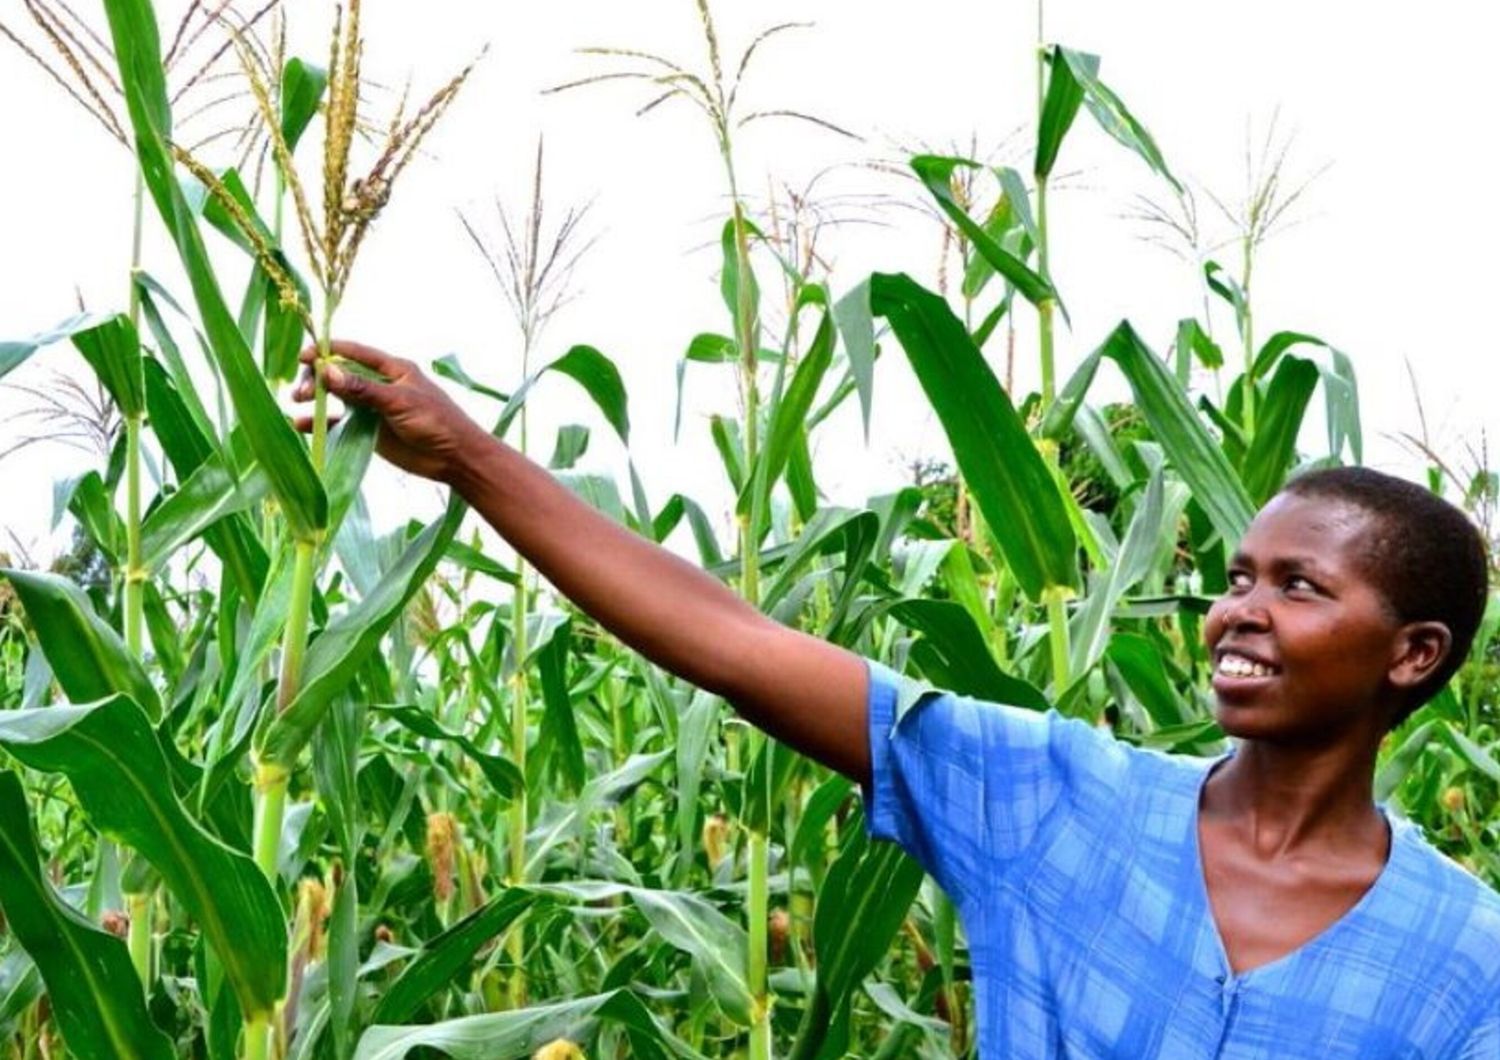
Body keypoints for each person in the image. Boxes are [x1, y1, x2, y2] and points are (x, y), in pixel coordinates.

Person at [295, 341, 1500, 1058]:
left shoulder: (1468, 960)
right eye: (1237, 576)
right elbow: (732, 642)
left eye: (1299, 586)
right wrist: (471, 457)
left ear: (1412, 653)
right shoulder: (1054, 797)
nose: (1240, 610)